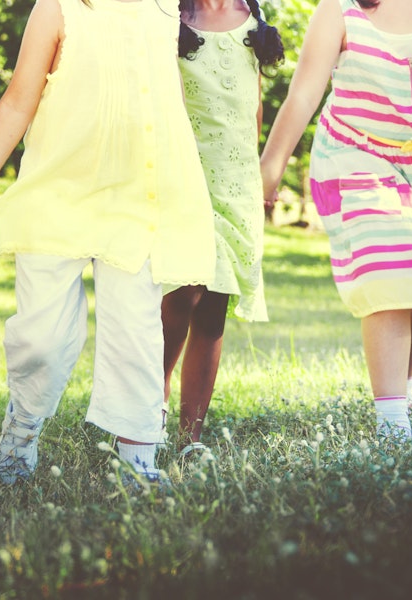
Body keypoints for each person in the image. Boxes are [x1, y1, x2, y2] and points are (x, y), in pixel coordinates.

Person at [0, 0, 216, 486]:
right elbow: (18, 100)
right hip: (58, 194)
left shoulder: (163, 9)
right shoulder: (58, 8)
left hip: (138, 199)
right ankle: (21, 433)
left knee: (137, 332)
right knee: (42, 339)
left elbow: (167, 101)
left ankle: (138, 459)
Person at [261, 0, 412, 442]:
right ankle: (393, 429)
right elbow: (303, 93)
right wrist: (268, 171)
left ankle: (406, 396)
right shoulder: (340, 10)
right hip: (357, 155)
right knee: (393, 261)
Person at [161, 0, 283, 457]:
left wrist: (258, 177)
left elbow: (253, 109)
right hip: (187, 176)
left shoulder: (252, 18)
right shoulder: (170, 16)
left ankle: (189, 438)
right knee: (182, 291)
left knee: (213, 310)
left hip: (236, 183)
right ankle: (147, 409)